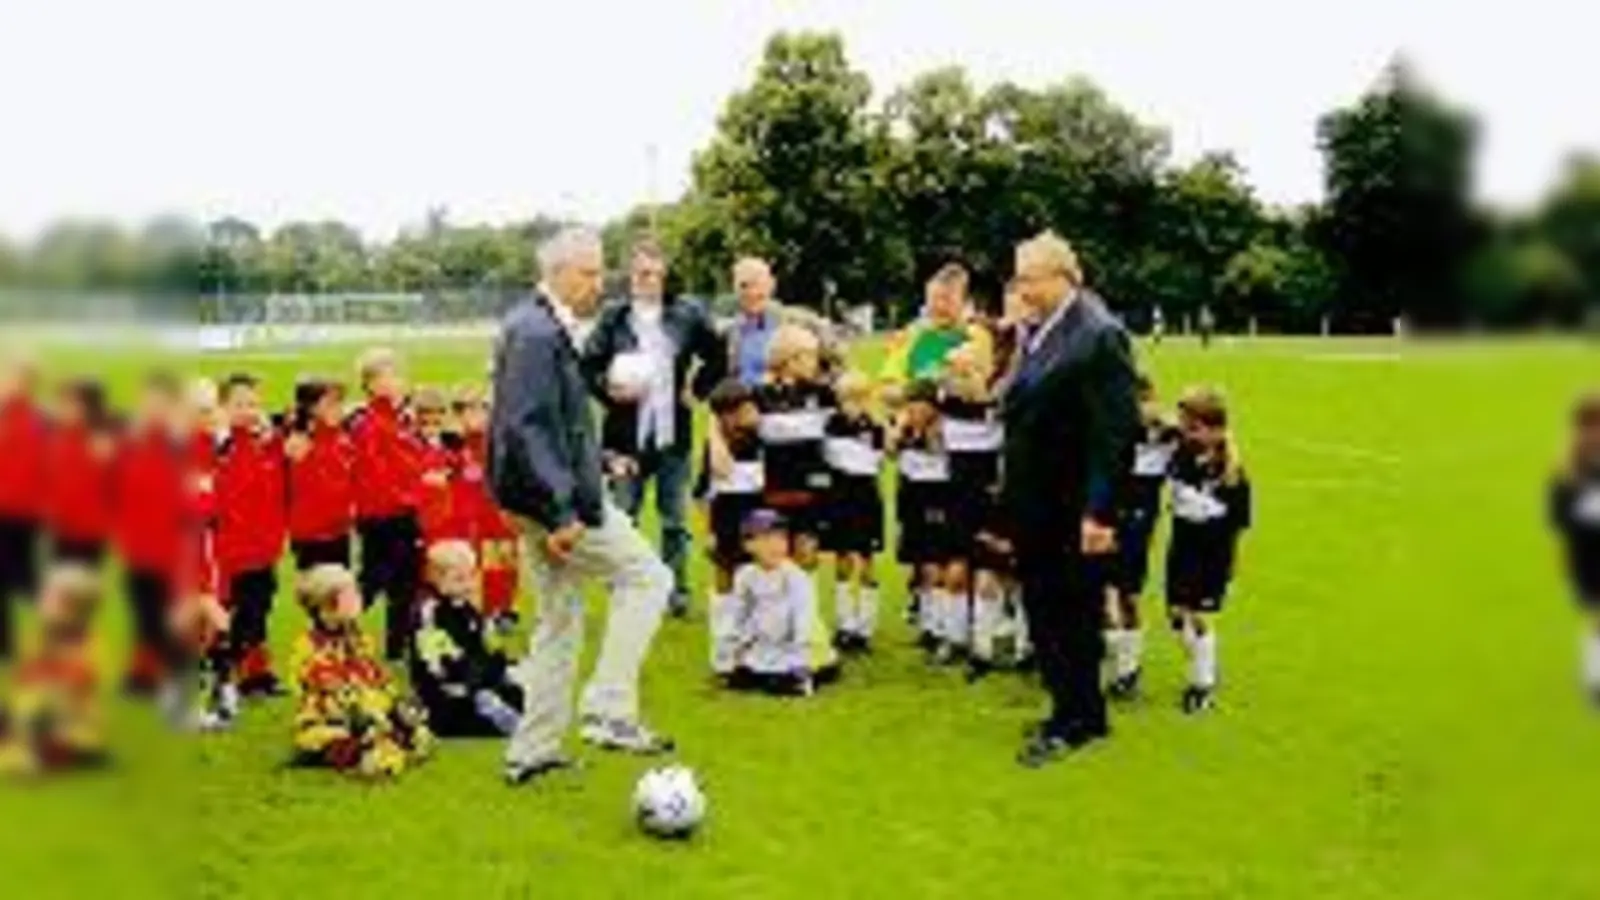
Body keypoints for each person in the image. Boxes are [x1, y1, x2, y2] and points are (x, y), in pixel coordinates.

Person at [488, 226, 676, 785]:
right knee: (649, 578)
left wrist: (596, 462)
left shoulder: (533, 325)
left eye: (600, 271)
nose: (600, 283)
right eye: (589, 272)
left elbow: (551, 423)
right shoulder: (537, 333)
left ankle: (532, 751)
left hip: (543, 496)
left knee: (559, 620)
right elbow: (525, 428)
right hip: (557, 503)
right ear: (558, 273)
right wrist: (561, 511)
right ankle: (608, 710)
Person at [1002, 231, 1140, 767]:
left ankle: (1078, 720)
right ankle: (1069, 707)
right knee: (1046, 609)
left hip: (1071, 507)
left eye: (1029, 279)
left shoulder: (1099, 335)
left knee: (1072, 614)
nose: (1021, 289)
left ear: (1062, 277)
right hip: (1037, 502)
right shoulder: (1043, 329)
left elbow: (1115, 433)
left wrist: (1099, 513)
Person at [583, 240, 727, 617]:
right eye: (639, 273)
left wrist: (696, 390)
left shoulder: (687, 314)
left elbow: (718, 355)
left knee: (674, 520)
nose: (646, 280)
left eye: (653, 273)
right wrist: (609, 390)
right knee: (623, 516)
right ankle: (626, 589)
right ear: (629, 276)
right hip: (624, 439)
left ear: (664, 276)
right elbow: (587, 366)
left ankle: (676, 591)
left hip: (671, 436)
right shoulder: (614, 318)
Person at [289, 564, 433, 779]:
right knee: (352, 742)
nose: (358, 598)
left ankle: (385, 744)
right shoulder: (308, 646)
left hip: (368, 709)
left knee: (416, 732)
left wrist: (395, 702)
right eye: (350, 595)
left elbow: (375, 674)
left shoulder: (359, 638)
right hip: (329, 717)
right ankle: (358, 753)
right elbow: (329, 687)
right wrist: (366, 710)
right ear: (327, 604)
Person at [1165, 386, 1252, 714]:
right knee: (1177, 615)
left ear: (1216, 429)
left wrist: (1231, 563)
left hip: (1211, 553)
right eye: (1185, 425)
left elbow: (1239, 523)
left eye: (1195, 427)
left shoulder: (1231, 474)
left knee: (1198, 616)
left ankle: (1202, 684)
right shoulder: (1182, 454)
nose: (1188, 433)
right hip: (1182, 546)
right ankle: (1202, 661)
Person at [112, 371, 191, 695]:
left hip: (171, 551)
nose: (152, 409)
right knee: (143, 611)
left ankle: (171, 668)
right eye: (147, 402)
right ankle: (145, 670)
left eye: (159, 402)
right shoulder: (129, 444)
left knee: (167, 613)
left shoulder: (182, 447)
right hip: (137, 547)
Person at [1105, 374, 1182, 699]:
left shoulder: (1167, 436)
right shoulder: (1110, 429)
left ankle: (1128, 670)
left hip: (1136, 523)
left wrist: (1160, 419)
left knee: (1127, 594)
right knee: (1097, 591)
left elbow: (1184, 427)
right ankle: (1112, 659)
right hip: (1103, 517)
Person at [348, 348, 425, 661]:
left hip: (404, 513)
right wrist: (408, 496)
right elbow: (374, 473)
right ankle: (333, 630)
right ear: (369, 384)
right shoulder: (368, 423)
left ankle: (398, 646)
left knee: (406, 584)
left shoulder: (401, 419)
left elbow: (411, 461)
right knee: (372, 580)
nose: (394, 382)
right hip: (382, 516)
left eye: (396, 375)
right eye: (385, 376)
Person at [940, 343, 1011, 680]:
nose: (958, 379)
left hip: (990, 501)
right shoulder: (945, 405)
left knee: (989, 574)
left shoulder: (1000, 409)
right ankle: (955, 638)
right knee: (955, 571)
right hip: (956, 499)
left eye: (966, 371)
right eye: (953, 372)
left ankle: (984, 648)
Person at [214, 373, 288, 698]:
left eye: (254, 404)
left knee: (260, 611)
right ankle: (233, 672)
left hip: (265, 549)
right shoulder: (223, 450)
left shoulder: (264, 445)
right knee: (241, 614)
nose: (249, 411)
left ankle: (256, 673)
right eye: (240, 404)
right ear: (223, 408)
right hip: (236, 552)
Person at [0, 565, 107, 776]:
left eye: (50, 599)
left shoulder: (88, 645)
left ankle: (28, 756)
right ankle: (20, 748)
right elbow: (23, 677)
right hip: (31, 713)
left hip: (70, 726)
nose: (41, 604)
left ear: (73, 609)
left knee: (39, 713)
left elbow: (77, 682)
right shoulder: (37, 637)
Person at [411, 541, 524, 737]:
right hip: (449, 692)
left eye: (471, 576)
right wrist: (477, 677)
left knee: (515, 685)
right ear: (436, 579)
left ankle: (508, 712)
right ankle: (503, 718)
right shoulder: (430, 613)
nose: (468, 585)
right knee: (482, 698)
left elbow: (478, 645)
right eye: (459, 579)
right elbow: (438, 664)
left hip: (472, 679)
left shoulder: (465, 608)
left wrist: (497, 659)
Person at [720, 509, 834, 696]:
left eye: (781, 539)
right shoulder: (746, 575)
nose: (775, 546)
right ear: (748, 545)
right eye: (766, 539)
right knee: (745, 678)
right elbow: (739, 613)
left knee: (784, 682)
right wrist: (737, 646)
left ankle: (799, 676)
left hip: (798, 645)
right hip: (765, 644)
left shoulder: (795, 577)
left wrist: (801, 657)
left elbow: (803, 618)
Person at [697, 380, 766, 676]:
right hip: (726, 519)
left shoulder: (760, 439)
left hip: (756, 520)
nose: (753, 413)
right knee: (725, 583)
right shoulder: (716, 445)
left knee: (753, 584)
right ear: (727, 415)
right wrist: (713, 431)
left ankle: (750, 653)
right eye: (745, 409)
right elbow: (714, 478)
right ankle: (723, 654)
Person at [891, 380, 957, 658]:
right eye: (910, 407)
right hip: (911, 502)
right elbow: (890, 452)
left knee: (934, 563)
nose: (914, 412)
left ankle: (942, 628)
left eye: (919, 407)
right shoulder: (906, 430)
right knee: (920, 563)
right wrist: (899, 428)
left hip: (937, 501)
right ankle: (928, 625)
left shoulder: (943, 432)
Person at [822, 371, 885, 653]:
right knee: (843, 556)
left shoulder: (875, 427)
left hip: (867, 497)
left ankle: (865, 627)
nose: (852, 405)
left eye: (858, 398)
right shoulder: (830, 424)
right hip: (839, 497)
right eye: (846, 399)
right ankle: (845, 624)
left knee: (868, 558)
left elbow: (877, 462)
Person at [1548, 390, 1600, 705]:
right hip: (1587, 557)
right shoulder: (1567, 474)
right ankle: (1593, 676)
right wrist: (1587, 513)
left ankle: (1593, 673)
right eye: (1590, 427)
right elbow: (1557, 519)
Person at [454, 385, 520, 631]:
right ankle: (476, 610)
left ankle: (503, 609)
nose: (474, 417)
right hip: (470, 517)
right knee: (475, 564)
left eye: (480, 410)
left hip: (499, 512)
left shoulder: (498, 445)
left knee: (505, 562)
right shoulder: (456, 446)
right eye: (467, 410)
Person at [725, 256, 841, 387]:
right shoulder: (734, 331)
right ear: (734, 289)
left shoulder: (801, 320)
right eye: (744, 286)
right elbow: (733, 374)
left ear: (771, 285)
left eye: (757, 284)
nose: (751, 292)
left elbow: (838, 360)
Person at [880, 263, 994, 392]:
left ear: (966, 303)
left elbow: (977, 387)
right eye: (933, 299)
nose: (940, 306)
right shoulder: (912, 335)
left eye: (947, 300)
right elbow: (889, 384)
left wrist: (965, 373)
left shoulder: (977, 337)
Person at [0, 357, 47, 663]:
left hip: (24, 514)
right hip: (4, 510)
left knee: (26, 581)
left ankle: (60, 634)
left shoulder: (38, 421)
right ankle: (7, 646)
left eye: (17, 378)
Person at [44, 379, 118, 568]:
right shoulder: (58, 437)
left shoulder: (99, 441)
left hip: (88, 530)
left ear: (86, 408)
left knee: (81, 578)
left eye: (71, 404)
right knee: (60, 576)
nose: (63, 409)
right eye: (62, 403)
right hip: (62, 526)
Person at [285, 377, 356, 572]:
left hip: (339, 531)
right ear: (312, 408)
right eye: (330, 404)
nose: (338, 409)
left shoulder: (341, 439)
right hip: (312, 535)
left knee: (340, 583)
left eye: (339, 403)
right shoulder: (301, 443)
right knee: (321, 585)